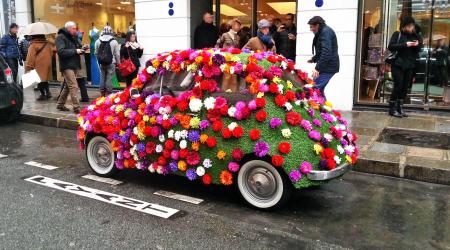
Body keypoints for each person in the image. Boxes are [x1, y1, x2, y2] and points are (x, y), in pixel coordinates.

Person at [387, 16, 422, 118]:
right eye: (410, 26)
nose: (411, 28)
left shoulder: (415, 36)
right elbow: (391, 46)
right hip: (397, 64)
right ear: (404, 26)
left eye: (412, 26)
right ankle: (392, 108)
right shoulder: (397, 34)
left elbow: (418, 51)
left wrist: (417, 45)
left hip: (410, 65)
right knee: (398, 85)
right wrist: (405, 44)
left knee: (405, 87)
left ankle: (400, 108)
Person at [307, 16, 339, 100]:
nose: (310, 29)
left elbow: (326, 52)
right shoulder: (322, 32)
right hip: (326, 66)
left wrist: (317, 69)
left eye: (311, 27)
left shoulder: (325, 32)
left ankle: (318, 111)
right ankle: (326, 112)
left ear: (317, 25)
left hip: (329, 67)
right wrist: (314, 59)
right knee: (319, 91)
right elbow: (322, 51)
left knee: (314, 89)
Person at [55, 21, 84, 114]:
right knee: (74, 86)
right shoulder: (60, 37)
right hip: (66, 65)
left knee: (68, 86)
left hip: (73, 64)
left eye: (76, 29)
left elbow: (78, 47)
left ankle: (60, 104)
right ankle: (76, 107)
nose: (76, 30)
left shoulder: (73, 36)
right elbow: (61, 51)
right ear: (68, 28)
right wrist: (76, 51)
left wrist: (82, 48)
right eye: (74, 29)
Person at [25, 34, 53, 100]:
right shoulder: (47, 44)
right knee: (45, 79)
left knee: (39, 79)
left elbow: (30, 57)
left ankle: (43, 94)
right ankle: (48, 93)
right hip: (47, 63)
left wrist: (29, 66)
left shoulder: (33, 45)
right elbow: (51, 53)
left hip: (38, 64)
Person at [95, 25, 120, 96]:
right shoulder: (114, 41)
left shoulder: (97, 41)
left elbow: (96, 53)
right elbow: (117, 54)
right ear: (110, 32)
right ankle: (109, 93)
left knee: (102, 77)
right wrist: (118, 63)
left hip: (101, 63)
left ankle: (102, 93)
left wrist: (99, 60)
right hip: (111, 63)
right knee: (109, 78)